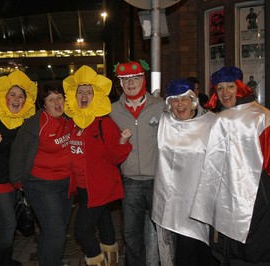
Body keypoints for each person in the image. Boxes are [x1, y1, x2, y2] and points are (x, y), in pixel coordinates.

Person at [191, 66, 270, 264]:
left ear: (240, 88)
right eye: (220, 88)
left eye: (230, 87)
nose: (225, 93)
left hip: (257, 192)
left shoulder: (260, 116)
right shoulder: (221, 118)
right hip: (228, 190)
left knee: (252, 247)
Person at [63, 65, 132, 265]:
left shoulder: (104, 123)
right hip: (84, 187)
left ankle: (96, 261)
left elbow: (116, 158)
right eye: (80, 92)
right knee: (104, 222)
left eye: (89, 92)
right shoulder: (73, 123)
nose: (84, 95)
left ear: (96, 96)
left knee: (82, 230)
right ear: (74, 96)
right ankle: (111, 259)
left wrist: (122, 142)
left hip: (101, 186)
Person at [152, 79, 218, 266]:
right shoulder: (164, 123)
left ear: (193, 101)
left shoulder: (211, 122)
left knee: (199, 246)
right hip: (170, 199)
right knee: (180, 249)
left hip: (200, 197)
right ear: (169, 104)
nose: (180, 104)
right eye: (175, 100)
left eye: (184, 99)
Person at [0, 70, 37, 266]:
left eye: (21, 96)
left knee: (6, 224)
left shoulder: (27, 121)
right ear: (3, 96)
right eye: (12, 94)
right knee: (8, 223)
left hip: (16, 180)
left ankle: (3, 259)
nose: (16, 99)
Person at [9, 84, 72, 266]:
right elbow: (18, 152)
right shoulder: (35, 124)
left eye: (59, 98)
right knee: (57, 232)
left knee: (52, 230)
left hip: (66, 184)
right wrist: (17, 181)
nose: (57, 103)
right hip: (42, 184)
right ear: (44, 105)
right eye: (51, 100)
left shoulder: (69, 120)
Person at [110, 60, 164, 266]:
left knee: (163, 232)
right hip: (130, 180)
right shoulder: (112, 110)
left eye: (135, 78)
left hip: (158, 180)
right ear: (120, 84)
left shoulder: (161, 106)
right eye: (125, 80)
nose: (131, 83)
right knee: (131, 234)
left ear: (144, 79)